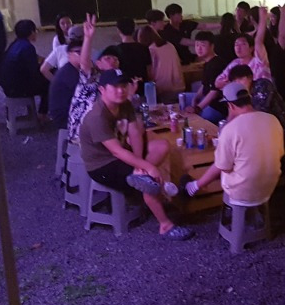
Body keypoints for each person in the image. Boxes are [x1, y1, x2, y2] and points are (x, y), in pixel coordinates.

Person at [79, 68, 194, 240]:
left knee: (161, 146)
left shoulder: (124, 104)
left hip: (121, 154)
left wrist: (139, 162)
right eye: (115, 87)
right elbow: (116, 151)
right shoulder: (97, 117)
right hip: (102, 165)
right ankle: (165, 224)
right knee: (147, 179)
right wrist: (147, 168)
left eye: (123, 86)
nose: (121, 90)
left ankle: (147, 193)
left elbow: (135, 133)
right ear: (102, 89)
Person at [182, 82, 284, 209]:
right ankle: (195, 186)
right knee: (240, 157)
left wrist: (229, 120)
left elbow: (224, 167)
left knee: (223, 162)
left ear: (230, 105)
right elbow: (280, 153)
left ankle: (195, 187)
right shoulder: (272, 119)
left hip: (242, 191)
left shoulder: (231, 129)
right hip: (270, 185)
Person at [67, 14, 121, 142]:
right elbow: (84, 63)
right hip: (83, 136)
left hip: (104, 130)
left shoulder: (118, 80)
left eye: (115, 58)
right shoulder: (92, 78)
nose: (113, 60)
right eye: (108, 58)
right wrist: (88, 38)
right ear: (98, 63)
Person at [227, 64, 285, 147]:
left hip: (283, 134)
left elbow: (259, 113)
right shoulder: (244, 95)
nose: (238, 84)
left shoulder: (263, 85)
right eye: (235, 82)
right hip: (264, 134)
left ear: (250, 77)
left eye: (241, 79)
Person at [0, 19, 50, 118]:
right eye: (35, 31)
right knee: (50, 83)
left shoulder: (14, 44)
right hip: (18, 89)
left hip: (8, 87)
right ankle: (42, 115)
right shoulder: (28, 47)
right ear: (31, 32)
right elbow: (34, 72)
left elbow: (36, 58)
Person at [215, 6, 271, 89]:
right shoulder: (235, 63)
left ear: (251, 48)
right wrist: (236, 84)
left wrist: (263, 19)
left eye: (243, 44)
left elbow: (258, 42)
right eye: (236, 44)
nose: (238, 47)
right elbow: (217, 83)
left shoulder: (258, 62)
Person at [184, 31, 229, 123]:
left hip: (217, 106)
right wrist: (196, 97)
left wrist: (198, 108)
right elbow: (204, 84)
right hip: (207, 99)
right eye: (197, 45)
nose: (199, 48)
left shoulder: (216, 65)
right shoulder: (208, 63)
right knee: (183, 97)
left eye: (203, 45)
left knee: (199, 116)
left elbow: (214, 92)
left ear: (212, 46)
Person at [137, 26, 184, 102]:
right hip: (179, 86)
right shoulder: (170, 45)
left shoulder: (151, 50)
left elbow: (151, 72)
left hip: (162, 89)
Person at [48, 37, 83, 129]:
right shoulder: (69, 73)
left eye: (85, 52)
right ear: (69, 55)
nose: (83, 55)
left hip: (68, 110)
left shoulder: (73, 69)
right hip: (64, 117)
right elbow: (83, 94)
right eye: (78, 52)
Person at [115, 17, 152, 95]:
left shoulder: (116, 50)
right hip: (143, 88)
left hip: (125, 90)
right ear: (134, 29)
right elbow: (149, 71)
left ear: (118, 30)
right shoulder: (144, 48)